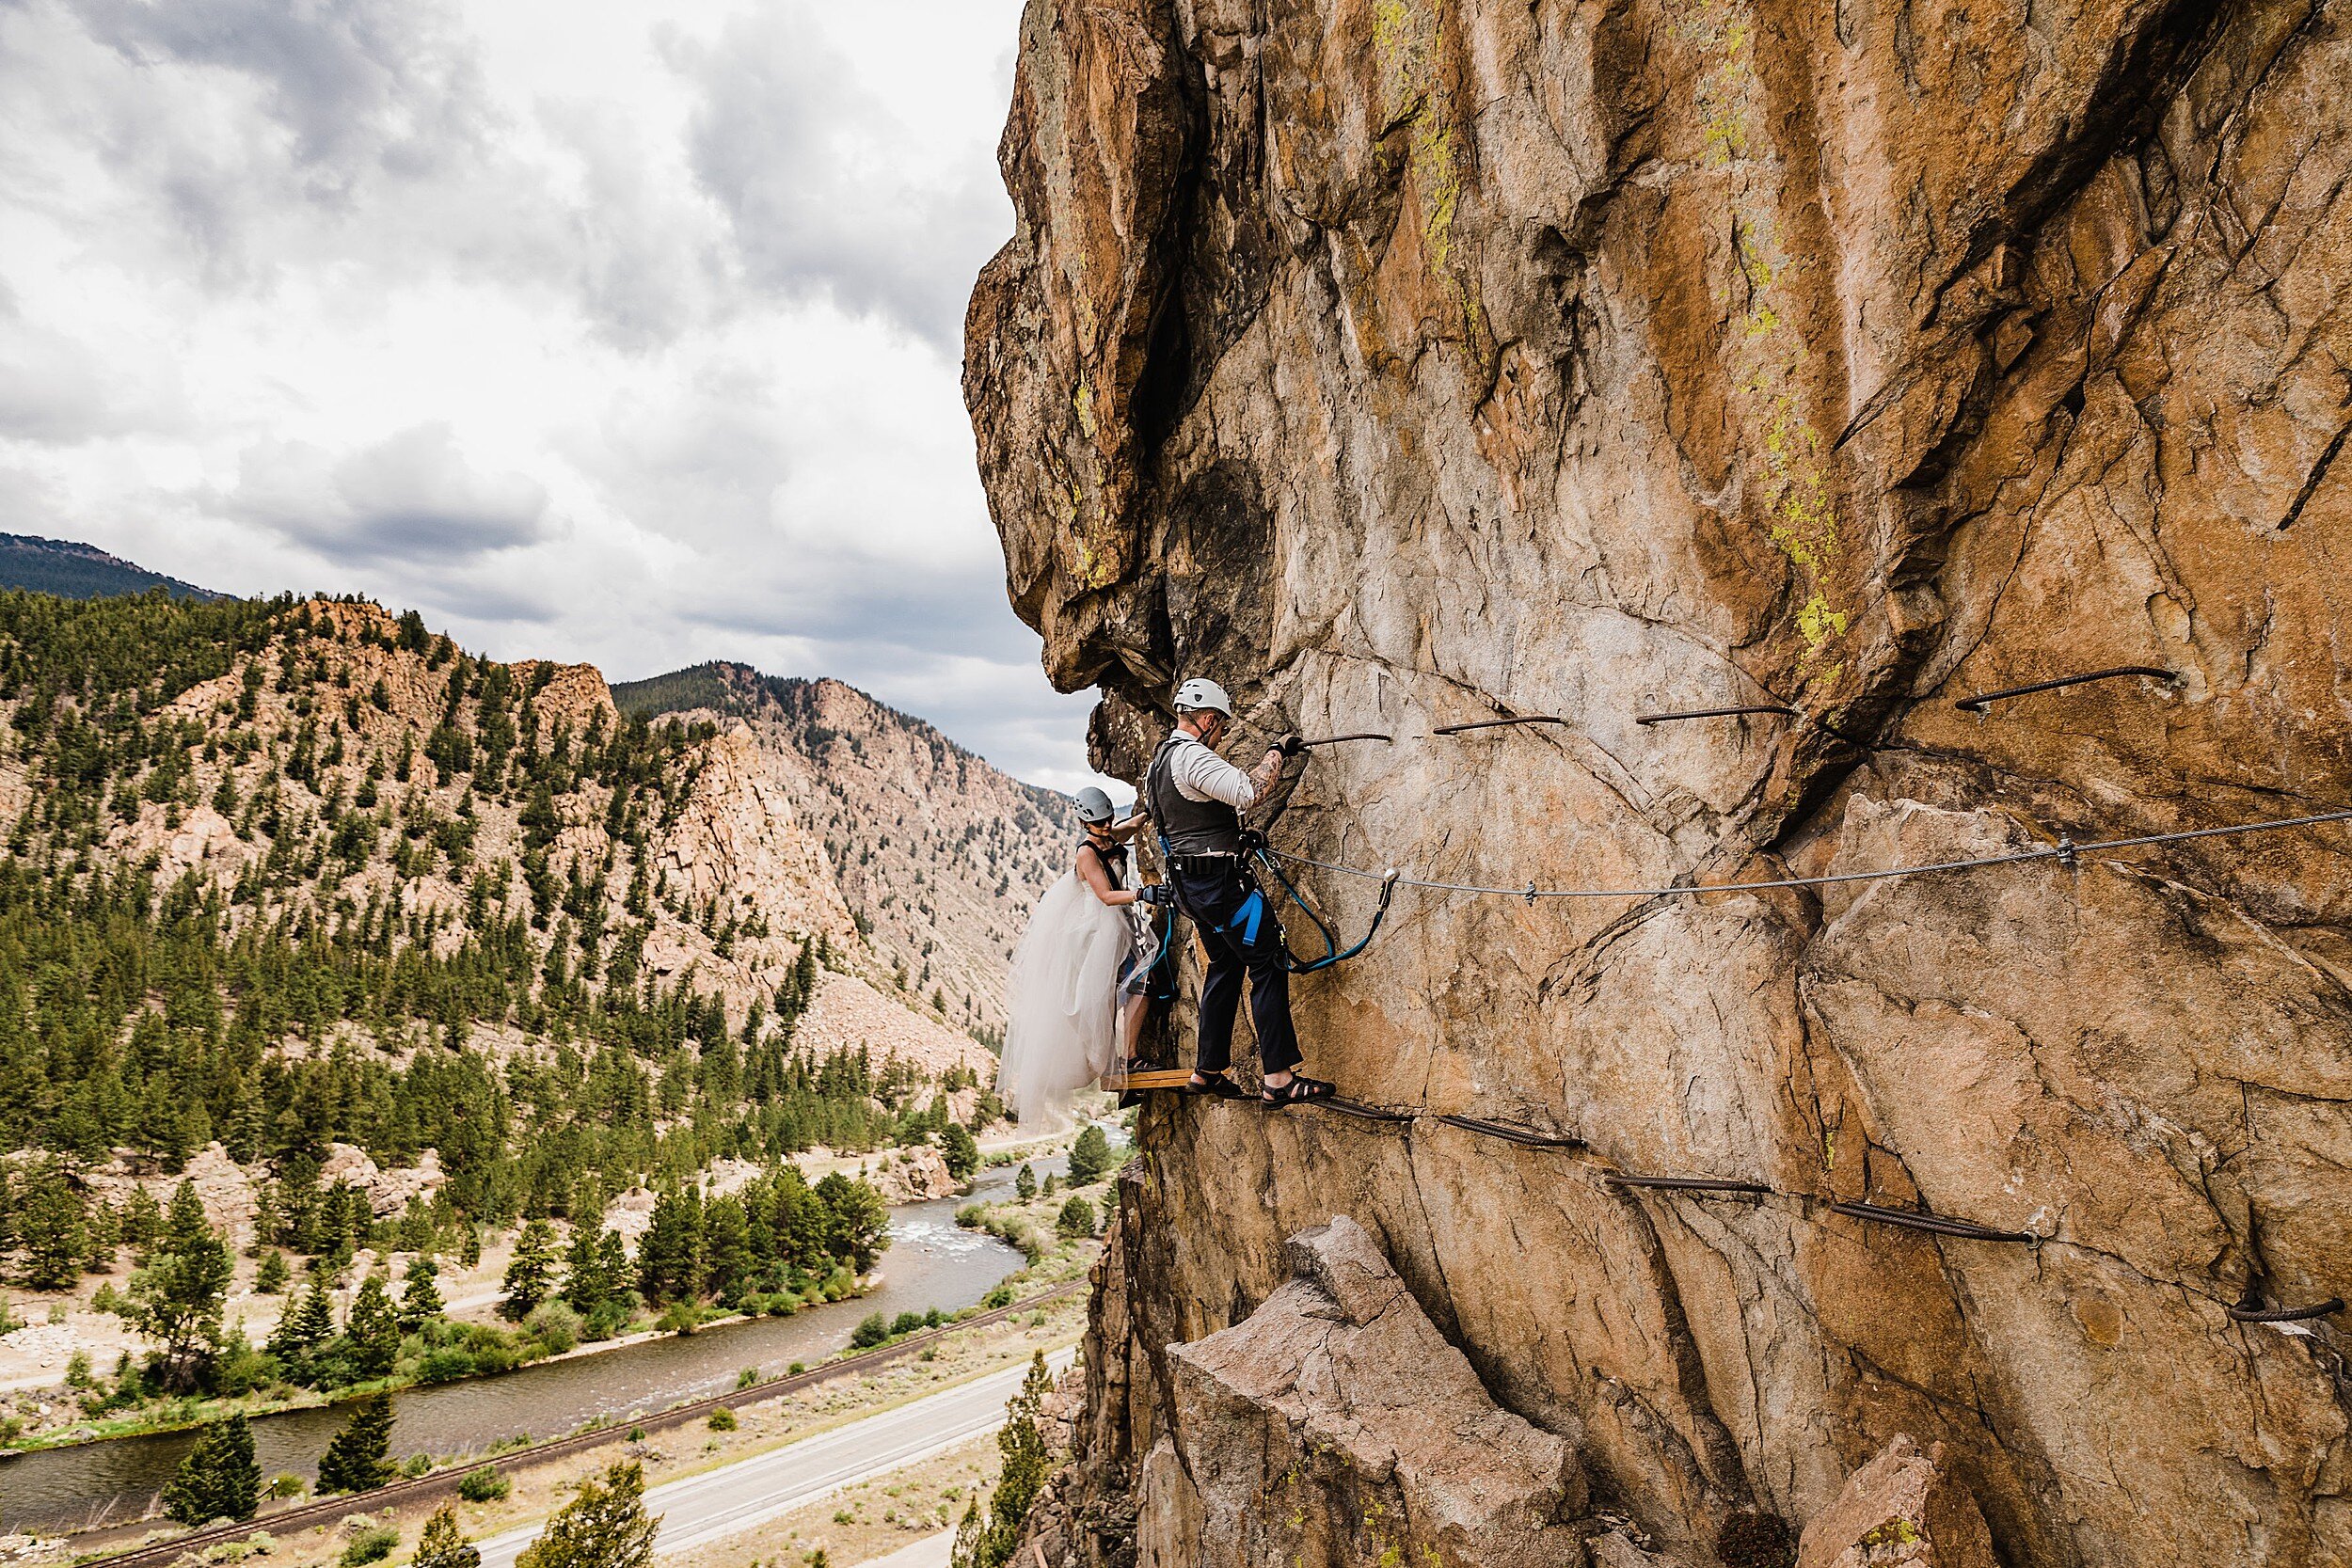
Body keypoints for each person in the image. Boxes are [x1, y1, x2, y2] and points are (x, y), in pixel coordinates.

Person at [1143, 677, 1332, 1105]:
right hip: (1220, 887)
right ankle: (1279, 1079)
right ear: (1208, 719)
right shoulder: (1192, 757)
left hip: (1192, 888)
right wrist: (1277, 752)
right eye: (1222, 726)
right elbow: (1249, 792)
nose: (1223, 735)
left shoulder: (1160, 761)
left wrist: (1232, 839)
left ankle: (1207, 1069)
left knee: (1225, 963)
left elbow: (1187, 822)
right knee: (1267, 961)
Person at [999, 786, 1159, 1125]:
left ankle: (1129, 1057)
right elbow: (1104, 895)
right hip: (1096, 932)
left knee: (1141, 983)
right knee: (1100, 997)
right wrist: (1144, 892)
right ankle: (1114, 1062)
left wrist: (1148, 813)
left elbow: (1125, 830)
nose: (1106, 825)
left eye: (1108, 819)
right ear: (1086, 822)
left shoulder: (1107, 834)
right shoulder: (1086, 853)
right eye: (1100, 822)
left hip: (1117, 927)